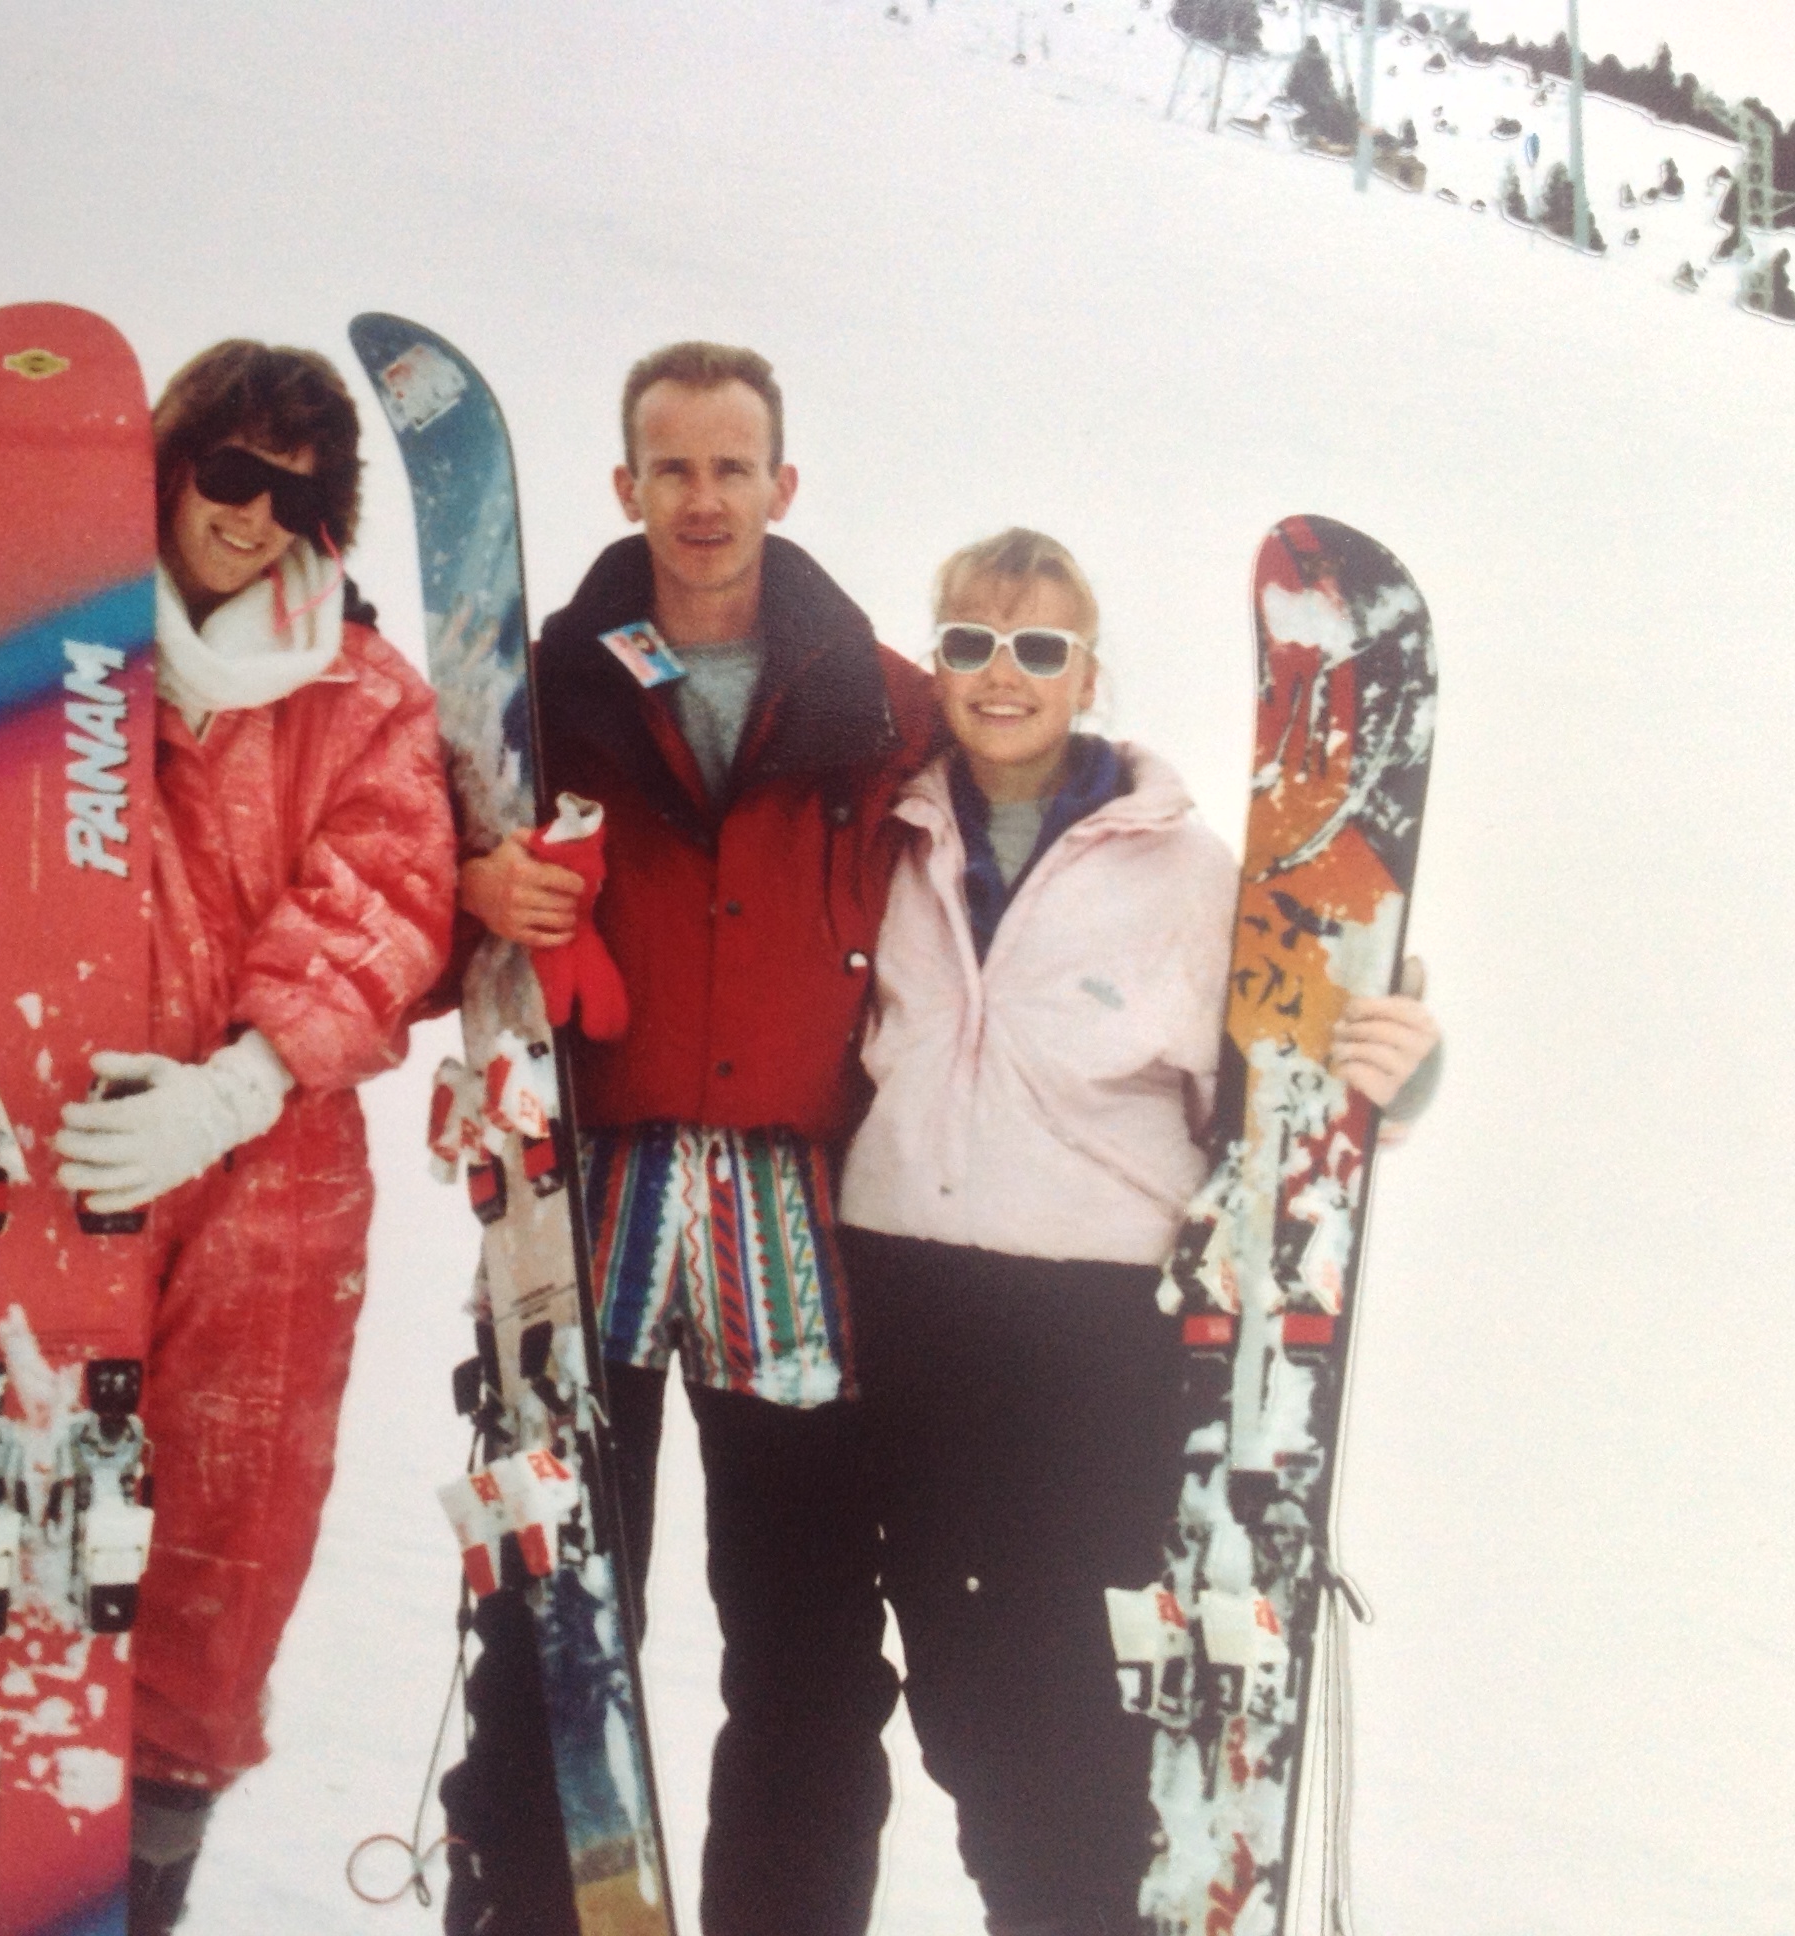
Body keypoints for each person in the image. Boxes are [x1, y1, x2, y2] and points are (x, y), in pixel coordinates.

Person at [0, 341, 455, 1936]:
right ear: (166, 470)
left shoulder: (362, 691)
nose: (255, 516)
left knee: (219, 1566)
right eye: (229, 474)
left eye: (297, 494)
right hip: (61, 1154)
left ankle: (123, 1897)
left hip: (271, 1178)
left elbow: (387, 897)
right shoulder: (45, 649)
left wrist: (238, 1086)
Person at [833, 528, 1440, 1936]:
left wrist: (1398, 1066)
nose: (1004, 674)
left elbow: (1292, 1077)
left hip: (1090, 1335)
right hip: (907, 1312)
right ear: (938, 664)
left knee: (1076, 1694)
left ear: (1088, 673)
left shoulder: (1183, 871)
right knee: (962, 1699)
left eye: (1039, 647)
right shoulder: (889, 839)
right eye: (972, 642)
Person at [443, 343, 937, 1936]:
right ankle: (528, 1911)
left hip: (794, 1213)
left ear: (783, 484)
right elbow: (400, 854)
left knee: (806, 1647)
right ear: (627, 486)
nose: (704, 498)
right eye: (674, 468)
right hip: (593, 1190)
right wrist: (470, 887)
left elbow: (1027, 845)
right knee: (554, 1610)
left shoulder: (883, 699)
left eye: (733, 467)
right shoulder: (548, 686)